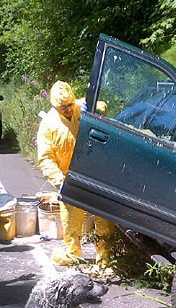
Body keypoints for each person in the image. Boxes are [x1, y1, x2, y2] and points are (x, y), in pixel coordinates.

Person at [37, 81, 115, 271]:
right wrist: (60, 182)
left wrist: (93, 106)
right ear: (55, 106)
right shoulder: (48, 125)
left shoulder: (79, 107)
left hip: (94, 172)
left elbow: (102, 106)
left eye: (70, 104)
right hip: (69, 178)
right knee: (72, 220)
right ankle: (73, 254)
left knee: (103, 217)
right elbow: (45, 159)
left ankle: (104, 258)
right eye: (64, 107)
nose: (69, 109)